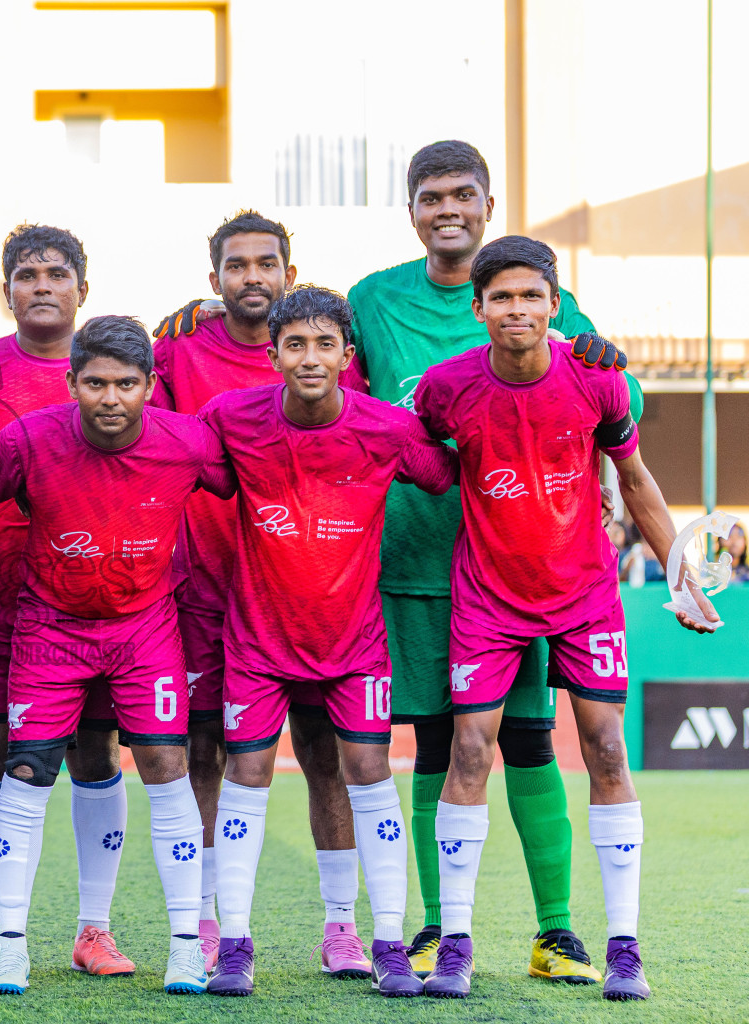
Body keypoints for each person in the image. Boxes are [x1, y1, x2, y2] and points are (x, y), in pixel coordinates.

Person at [157, 140, 637, 982]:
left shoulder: (539, 297)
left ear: (489, 205)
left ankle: (556, 930)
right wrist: (206, 317)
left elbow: (601, 397)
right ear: (411, 211)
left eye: (462, 195)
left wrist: (607, 366)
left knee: (529, 741)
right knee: (434, 740)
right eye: (429, 197)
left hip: (528, 563)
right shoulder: (374, 299)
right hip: (408, 560)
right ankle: (426, 930)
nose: (446, 210)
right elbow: (315, 377)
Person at [413, 235, 718, 1001]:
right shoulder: (446, 389)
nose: (517, 309)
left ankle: (623, 950)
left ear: (555, 304)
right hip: (486, 599)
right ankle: (454, 945)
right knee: (470, 753)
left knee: (607, 750)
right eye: (502, 298)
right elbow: (411, 454)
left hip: (584, 596)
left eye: (531, 296)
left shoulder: (599, 383)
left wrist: (681, 577)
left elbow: (637, 481)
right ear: (477, 308)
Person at [198, 286, 457, 999]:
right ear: (273, 353)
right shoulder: (229, 419)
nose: (309, 358)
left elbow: (445, 474)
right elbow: (184, 461)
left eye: (323, 344)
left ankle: (380, 942)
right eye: (294, 344)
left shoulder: (386, 428)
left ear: (348, 354)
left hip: (354, 644)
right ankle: (236, 945)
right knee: (245, 779)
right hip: (257, 642)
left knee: (367, 775)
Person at [0, 315, 236, 996]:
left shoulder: (188, 443)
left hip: (144, 628)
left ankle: (184, 945)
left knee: (167, 767)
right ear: (72, 382)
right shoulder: (29, 439)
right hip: (49, 629)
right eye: (95, 383)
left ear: (150, 385)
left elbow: (251, 476)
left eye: (125, 383)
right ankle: (10, 945)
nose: (110, 398)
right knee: (26, 774)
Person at [150, 210, 369, 974]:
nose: (252, 276)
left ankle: (341, 927)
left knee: (323, 756)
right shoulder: (176, 346)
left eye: (265, 263)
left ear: (289, 274)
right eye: (236, 266)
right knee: (205, 754)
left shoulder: (336, 351)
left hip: (312, 595)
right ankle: (213, 925)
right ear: (214, 281)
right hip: (204, 587)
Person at [0, 224, 133, 976]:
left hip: (97, 603)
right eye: (26, 274)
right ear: (5, 290)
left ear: (83, 287)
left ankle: (94, 928)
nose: (42, 285)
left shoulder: (123, 368)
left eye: (56, 273)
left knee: (96, 752)